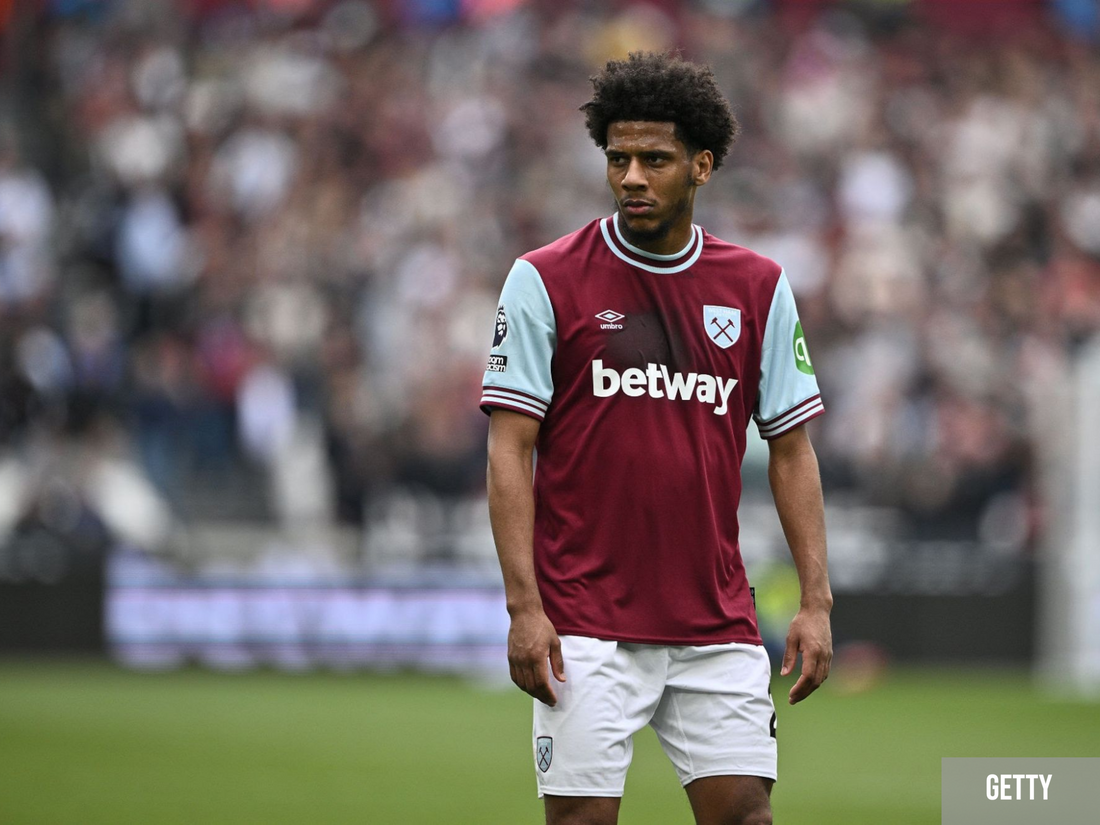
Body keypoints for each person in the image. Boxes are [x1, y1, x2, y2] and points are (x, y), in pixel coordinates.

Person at [481, 51, 832, 825]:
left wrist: (815, 599)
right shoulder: (544, 279)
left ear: (702, 165)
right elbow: (510, 449)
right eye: (618, 158)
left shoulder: (758, 288)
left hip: (715, 620)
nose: (632, 176)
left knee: (746, 817)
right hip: (584, 620)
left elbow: (792, 448)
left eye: (655, 159)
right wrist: (523, 608)